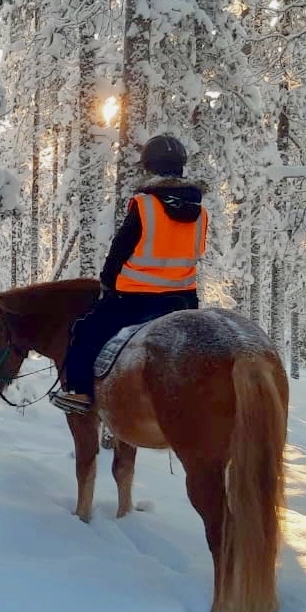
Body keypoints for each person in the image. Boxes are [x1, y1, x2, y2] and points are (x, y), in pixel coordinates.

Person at [50, 134, 207, 415]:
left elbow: (119, 251)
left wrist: (108, 283)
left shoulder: (145, 206)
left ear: (149, 167)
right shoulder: (200, 212)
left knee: (85, 331)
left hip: (135, 300)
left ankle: (80, 393)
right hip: (183, 301)